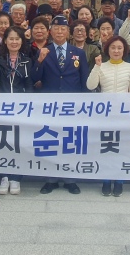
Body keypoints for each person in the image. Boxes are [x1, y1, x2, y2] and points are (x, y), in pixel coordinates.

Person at [31, 15, 89, 195]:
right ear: (50, 32)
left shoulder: (78, 53)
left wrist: (85, 104)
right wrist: (39, 61)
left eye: (63, 29)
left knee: (70, 142)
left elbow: (84, 80)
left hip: (73, 106)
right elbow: (34, 78)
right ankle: (51, 180)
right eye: (56, 28)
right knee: (51, 141)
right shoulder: (44, 51)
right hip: (50, 106)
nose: (59, 32)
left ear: (68, 32)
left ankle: (71, 179)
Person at [86, 36, 130, 197]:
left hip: (123, 116)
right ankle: (106, 180)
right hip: (105, 115)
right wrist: (97, 67)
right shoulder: (101, 66)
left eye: (119, 48)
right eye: (113, 47)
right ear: (107, 49)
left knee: (122, 148)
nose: (116, 51)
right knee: (106, 148)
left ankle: (119, 181)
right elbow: (90, 85)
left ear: (124, 50)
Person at [0, 26, 34, 195]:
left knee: (19, 143)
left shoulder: (27, 60)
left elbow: (29, 84)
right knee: (4, 142)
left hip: (21, 108)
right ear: (5, 41)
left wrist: (29, 105)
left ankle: (16, 178)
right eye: (11, 39)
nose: (14, 42)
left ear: (22, 41)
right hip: (2, 107)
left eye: (17, 39)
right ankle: (4, 177)